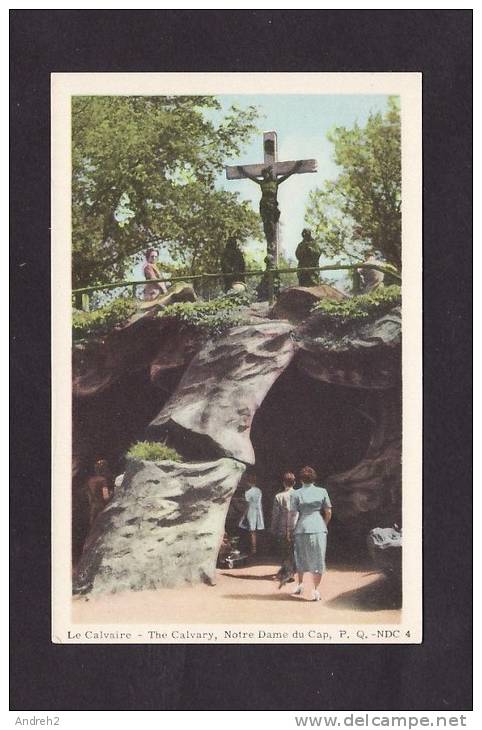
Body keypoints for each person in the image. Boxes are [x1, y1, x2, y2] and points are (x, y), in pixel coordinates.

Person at [237, 162, 302, 253]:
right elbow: (251, 177)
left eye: (265, 174)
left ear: (269, 173)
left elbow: (287, 175)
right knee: (267, 223)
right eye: (263, 175)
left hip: (272, 206)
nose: (264, 176)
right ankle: (269, 241)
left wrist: (296, 167)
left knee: (271, 224)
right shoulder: (262, 183)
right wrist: (242, 171)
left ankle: (271, 242)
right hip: (264, 205)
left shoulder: (275, 182)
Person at [290, 466, 332, 601]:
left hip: (301, 527)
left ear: (301, 479)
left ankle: (300, 584)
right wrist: (323, 524)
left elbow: (293, 514)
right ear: (314, 478)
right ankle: (315, 590)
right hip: (318, 526)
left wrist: (290, 529)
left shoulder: (296, 493)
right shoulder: (322, 491)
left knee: (300, 556)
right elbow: (328, 512)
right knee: (318, 558)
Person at [271, 472, 298, 581]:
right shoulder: (299, 495)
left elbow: (275, 515)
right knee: (294, 550)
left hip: (282, 527)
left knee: (284, 550)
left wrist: (273, 528)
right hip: (296, 526)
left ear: (283, 483)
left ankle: (288, 573)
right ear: (294, 483)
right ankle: (292, 572)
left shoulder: (278, 496)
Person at [239, 472, 265, 556]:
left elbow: (247, 504)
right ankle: (257, 548)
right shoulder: (259, 490)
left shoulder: (248, 492)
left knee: (251, 532)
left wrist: (243, 516)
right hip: (258, 511)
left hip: (250, 511)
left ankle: (253, 549)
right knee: (255, 531)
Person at [85, 459, 113, 527]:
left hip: (92, 510)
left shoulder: (89, 481)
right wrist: (112, 495)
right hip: (101, 509)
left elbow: (89, 496)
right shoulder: (103, 480)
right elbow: (106, 497)